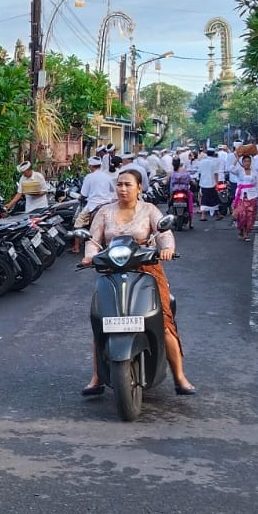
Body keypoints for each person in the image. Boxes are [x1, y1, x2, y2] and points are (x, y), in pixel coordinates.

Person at [79, 167, 197, 398]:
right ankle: (96, 377)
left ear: (139, 188)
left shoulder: (149, 210)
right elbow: (94, 239)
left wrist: (167, 249)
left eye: (128, 185)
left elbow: (163, 233)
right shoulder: (104, 212)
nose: (122, 189)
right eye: (119, 184)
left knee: (163, 322)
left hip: (148, 270)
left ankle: (180, 377)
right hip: (112, 270)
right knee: (102, 323)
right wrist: (89, 255)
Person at [232, 149, 258, 240]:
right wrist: (236, 159)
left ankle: (246, 232)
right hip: (241, 196)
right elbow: (230, 169)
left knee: (249, 216)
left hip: (252, 196)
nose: (247, 163)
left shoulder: (254, 173)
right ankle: (241, 229)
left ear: (251, 162)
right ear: (242, 162)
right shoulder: (239, 170)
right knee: (241, 215)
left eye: (248, 161)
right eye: (245, 161)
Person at [196, 147, 221, 222]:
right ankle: (217, 214)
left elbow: (199, 172)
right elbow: (216, 174)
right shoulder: (214, 162)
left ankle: (203, 215)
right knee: (214, 199)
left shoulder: (202, 162)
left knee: (204, 199)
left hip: (203, 183)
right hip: (212, 183)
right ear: (213, 154)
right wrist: (217, 183)